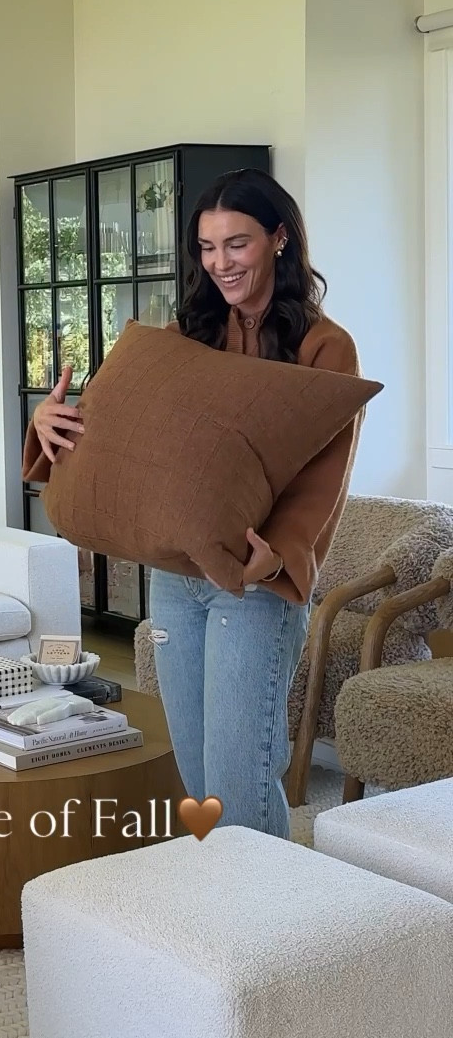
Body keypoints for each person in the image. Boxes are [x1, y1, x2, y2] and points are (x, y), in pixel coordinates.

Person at [24, 169, 362, 839]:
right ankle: (217, 918)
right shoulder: (185, 336)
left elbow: (324, 477)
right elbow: (129, 439)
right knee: (198, 776)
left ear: (280, 239)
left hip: (254, 588)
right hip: (178, 581)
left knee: (239, 778)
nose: (220, 263)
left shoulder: (324, 346)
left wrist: (278, 562)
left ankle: (268, 930)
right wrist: (48, 427)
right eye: (207, 248)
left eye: (236, 244)